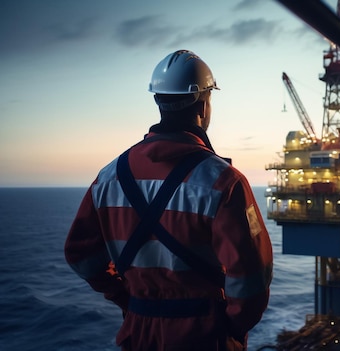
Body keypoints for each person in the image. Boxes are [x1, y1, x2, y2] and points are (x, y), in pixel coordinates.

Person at [65, 49, 273, 351]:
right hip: (204, 335)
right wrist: (231, 327)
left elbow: (79, 254)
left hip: (138, 332)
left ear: (157, 100)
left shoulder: (108, 177)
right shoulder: (223, 182)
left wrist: (125, 297)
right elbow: (252, 277)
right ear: (203, 103)